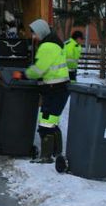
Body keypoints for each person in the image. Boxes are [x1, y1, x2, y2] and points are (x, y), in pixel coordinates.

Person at [19, 19, 70, 164]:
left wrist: (22, 74)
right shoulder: (56, 44)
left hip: (54, 90)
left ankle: (46, 157)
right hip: (59, 89)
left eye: (34, 33)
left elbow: (38, 70)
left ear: (41, 32)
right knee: (51, 121)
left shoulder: (47, 46)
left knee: (46, 123)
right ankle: (56, 153)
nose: (34, 37)